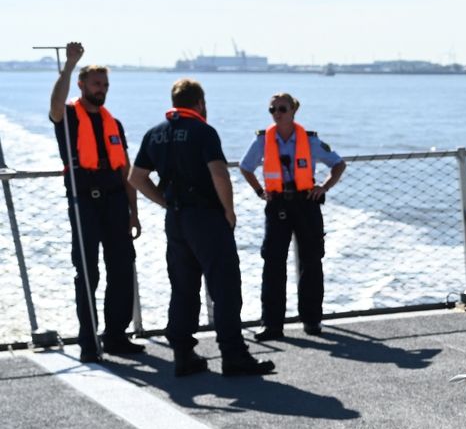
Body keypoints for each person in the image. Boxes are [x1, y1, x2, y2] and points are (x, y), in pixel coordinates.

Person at [127, 80, 275, 378]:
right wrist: (229, 211)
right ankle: (233, 355)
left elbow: (136, 177)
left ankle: (183, 354)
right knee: (225, 287)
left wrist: (165, 203)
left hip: (177, 220)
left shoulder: (155, 134)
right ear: (200, 103)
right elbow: (219, 173)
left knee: (183, 288)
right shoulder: (203, 131)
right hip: (206, 217)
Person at [47, 41, 142, 361]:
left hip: (116, 200)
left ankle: (115, 335)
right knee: (87, 272)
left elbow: (125, 169)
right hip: (83, 199)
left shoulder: (114, 123)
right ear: (82, 85)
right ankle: (89, 341)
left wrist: (134, 212)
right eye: (97, 83)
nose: (102, 89)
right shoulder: (69, 115)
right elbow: (55, 105)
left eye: (106, 85)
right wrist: (71, 64)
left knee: (122, 268)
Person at [238, 93, 345, 339]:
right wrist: (259, 191)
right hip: (277, 206)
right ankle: (272, 325)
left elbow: (338, 164)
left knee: (311, 262)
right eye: (272, 109)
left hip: (307, 203)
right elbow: (246, 167)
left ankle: (312, 321)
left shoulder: (310, 141)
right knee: (273, 264)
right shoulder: (263, 141)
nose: (277, 113)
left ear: (293, 110)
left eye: (282, 109)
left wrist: (324, 188)